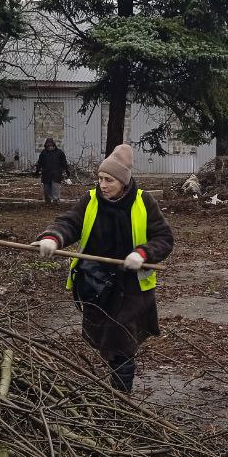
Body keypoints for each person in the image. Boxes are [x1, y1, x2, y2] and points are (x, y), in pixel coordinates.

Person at [34, 144, 173, 394]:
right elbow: (70, 222)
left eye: (109, 179)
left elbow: (163, 238)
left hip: (131, 288)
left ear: (123, 181)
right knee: (106, 340)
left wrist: (142, 253)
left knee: (122, 344)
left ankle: (121, 399)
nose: (103, 185)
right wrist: (53, 238)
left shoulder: (143, 202)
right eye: (100, 179)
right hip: (96, 283)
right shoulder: (90, 200)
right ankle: (115, 387)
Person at [34, 138, 71, 203]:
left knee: (55, 188)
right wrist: (37, 171)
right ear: (46, 146)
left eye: (51, 146)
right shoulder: (43, 153)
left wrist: (67, 170)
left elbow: (64, 162)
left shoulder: (59, 152)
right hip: (46, 174)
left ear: (54, 145)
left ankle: (56, 201)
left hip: (56, 174)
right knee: (46, 189)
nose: (50, 147)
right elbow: (39, 162)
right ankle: (48, 201)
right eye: (48, 146)